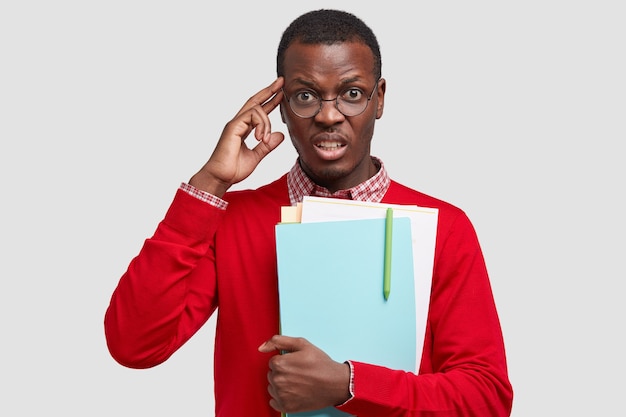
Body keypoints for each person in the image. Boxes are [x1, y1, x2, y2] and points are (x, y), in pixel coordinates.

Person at [104, 8, 513, 417]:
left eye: (352, 93)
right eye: (305, 95)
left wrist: (349, 385)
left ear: (380, 99)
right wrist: (211, 182)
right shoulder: (232, 220)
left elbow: (486, 399)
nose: (329, 115)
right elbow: (135, 345)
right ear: (279, 107)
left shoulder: (445, 226)